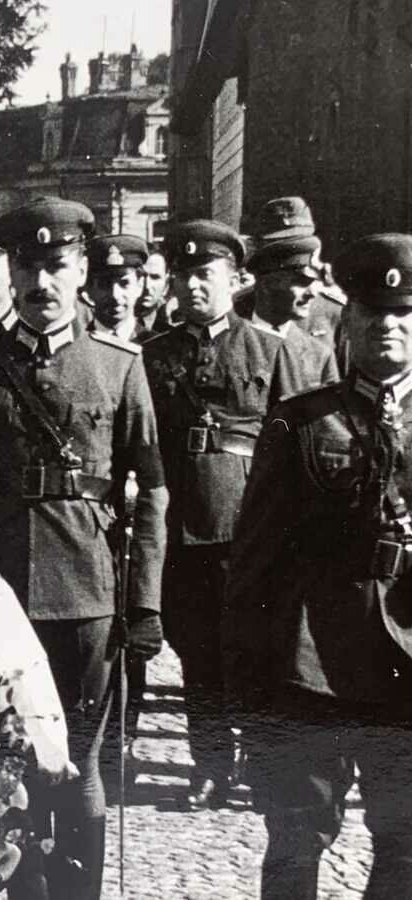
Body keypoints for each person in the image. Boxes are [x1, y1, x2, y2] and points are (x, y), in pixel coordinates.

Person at [0, 197, 167, 900]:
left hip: (88, 595)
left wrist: (145, 603)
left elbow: (151, 491)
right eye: (27, 267)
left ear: (82, 269)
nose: (41, 284)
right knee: (9, 761)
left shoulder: (120, 366)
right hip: (0, 598)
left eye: (57, 266)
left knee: (79, 766)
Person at [225, 232, 412, 899]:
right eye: (373, 313)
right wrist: (250, 682)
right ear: (348, 322)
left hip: (404, 669)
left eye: (404, 314)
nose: (388, 327)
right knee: (296, 841)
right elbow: (255, 564)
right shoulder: (302, 423)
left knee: (406, 844)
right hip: (311, 669)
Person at [141, 219, 306, 811]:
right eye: (182, 275)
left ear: (234, 279)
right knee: (198, 654)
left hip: (247, 531)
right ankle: (209, 765)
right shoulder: (151, 355)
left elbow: (291, 450)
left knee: (256, 651)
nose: (191, 287)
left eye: (204, 275)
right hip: (183, 530)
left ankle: (261, 764)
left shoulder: (269, 351)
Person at [247, 235, 340, 388]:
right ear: (266, 284)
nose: (312, 293)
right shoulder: (228, 341)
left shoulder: (320, 355)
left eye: (315, 282)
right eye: (302, 283)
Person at [87, 235, 154, 343]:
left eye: (124, 283)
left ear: (140, 285)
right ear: (89, 288)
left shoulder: (155, 346)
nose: (115, 294)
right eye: (105, 284)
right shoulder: (75, 345)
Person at [139, 250, 176, 333]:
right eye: (141, 276)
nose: (147, 286)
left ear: (166, 285)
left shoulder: (171, 335)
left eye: (155, 277)